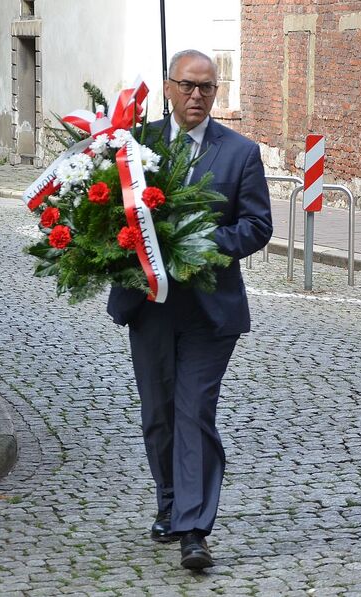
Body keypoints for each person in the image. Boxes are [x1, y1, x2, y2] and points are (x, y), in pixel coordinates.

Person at [107, 49, 273, 570]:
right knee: (158, 413)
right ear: (169, 87)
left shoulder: (240, 153)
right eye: (187, 86)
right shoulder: (138, 145)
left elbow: (257, 225)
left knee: (193, 410)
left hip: (209, 309)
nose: (197, 96)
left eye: (207, 88)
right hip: (149, 304)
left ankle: (194, 529)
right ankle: (169, 503)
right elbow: (107, 211)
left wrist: (200, 241)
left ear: (216, 92)